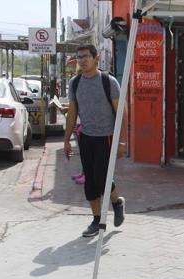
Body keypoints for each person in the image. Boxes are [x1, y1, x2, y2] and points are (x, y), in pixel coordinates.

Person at [64, 44, 126, 237]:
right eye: (79, 57)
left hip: (106, 137)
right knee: (90, 182)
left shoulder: (109, 81)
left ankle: (116, 202)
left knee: (101, 178)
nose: (82, 60)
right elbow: (72, 113)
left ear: (96, 58)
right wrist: (66, 140)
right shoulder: (75, 83)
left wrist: (122, 141)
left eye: (85, 57)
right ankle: (97, 220)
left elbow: (121, 113)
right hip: (86, 137)